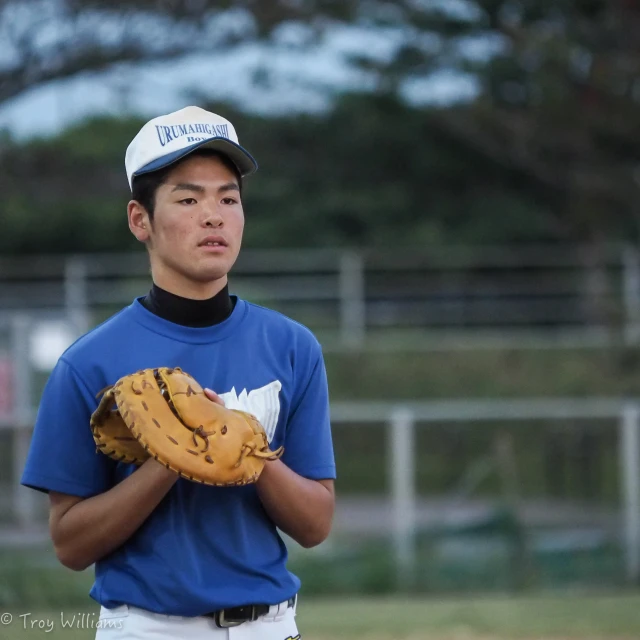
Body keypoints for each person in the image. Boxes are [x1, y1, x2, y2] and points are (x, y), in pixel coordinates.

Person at [20, 106, 337, 639]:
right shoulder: (88, 361)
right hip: (145, 627)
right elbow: (70, 545)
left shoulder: (291, 346)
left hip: (270, 626)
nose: (213, 216)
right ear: (139, 220)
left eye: (228, 198)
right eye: (188, 199)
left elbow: (316, 524)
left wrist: (236, 442)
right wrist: (171, 459)